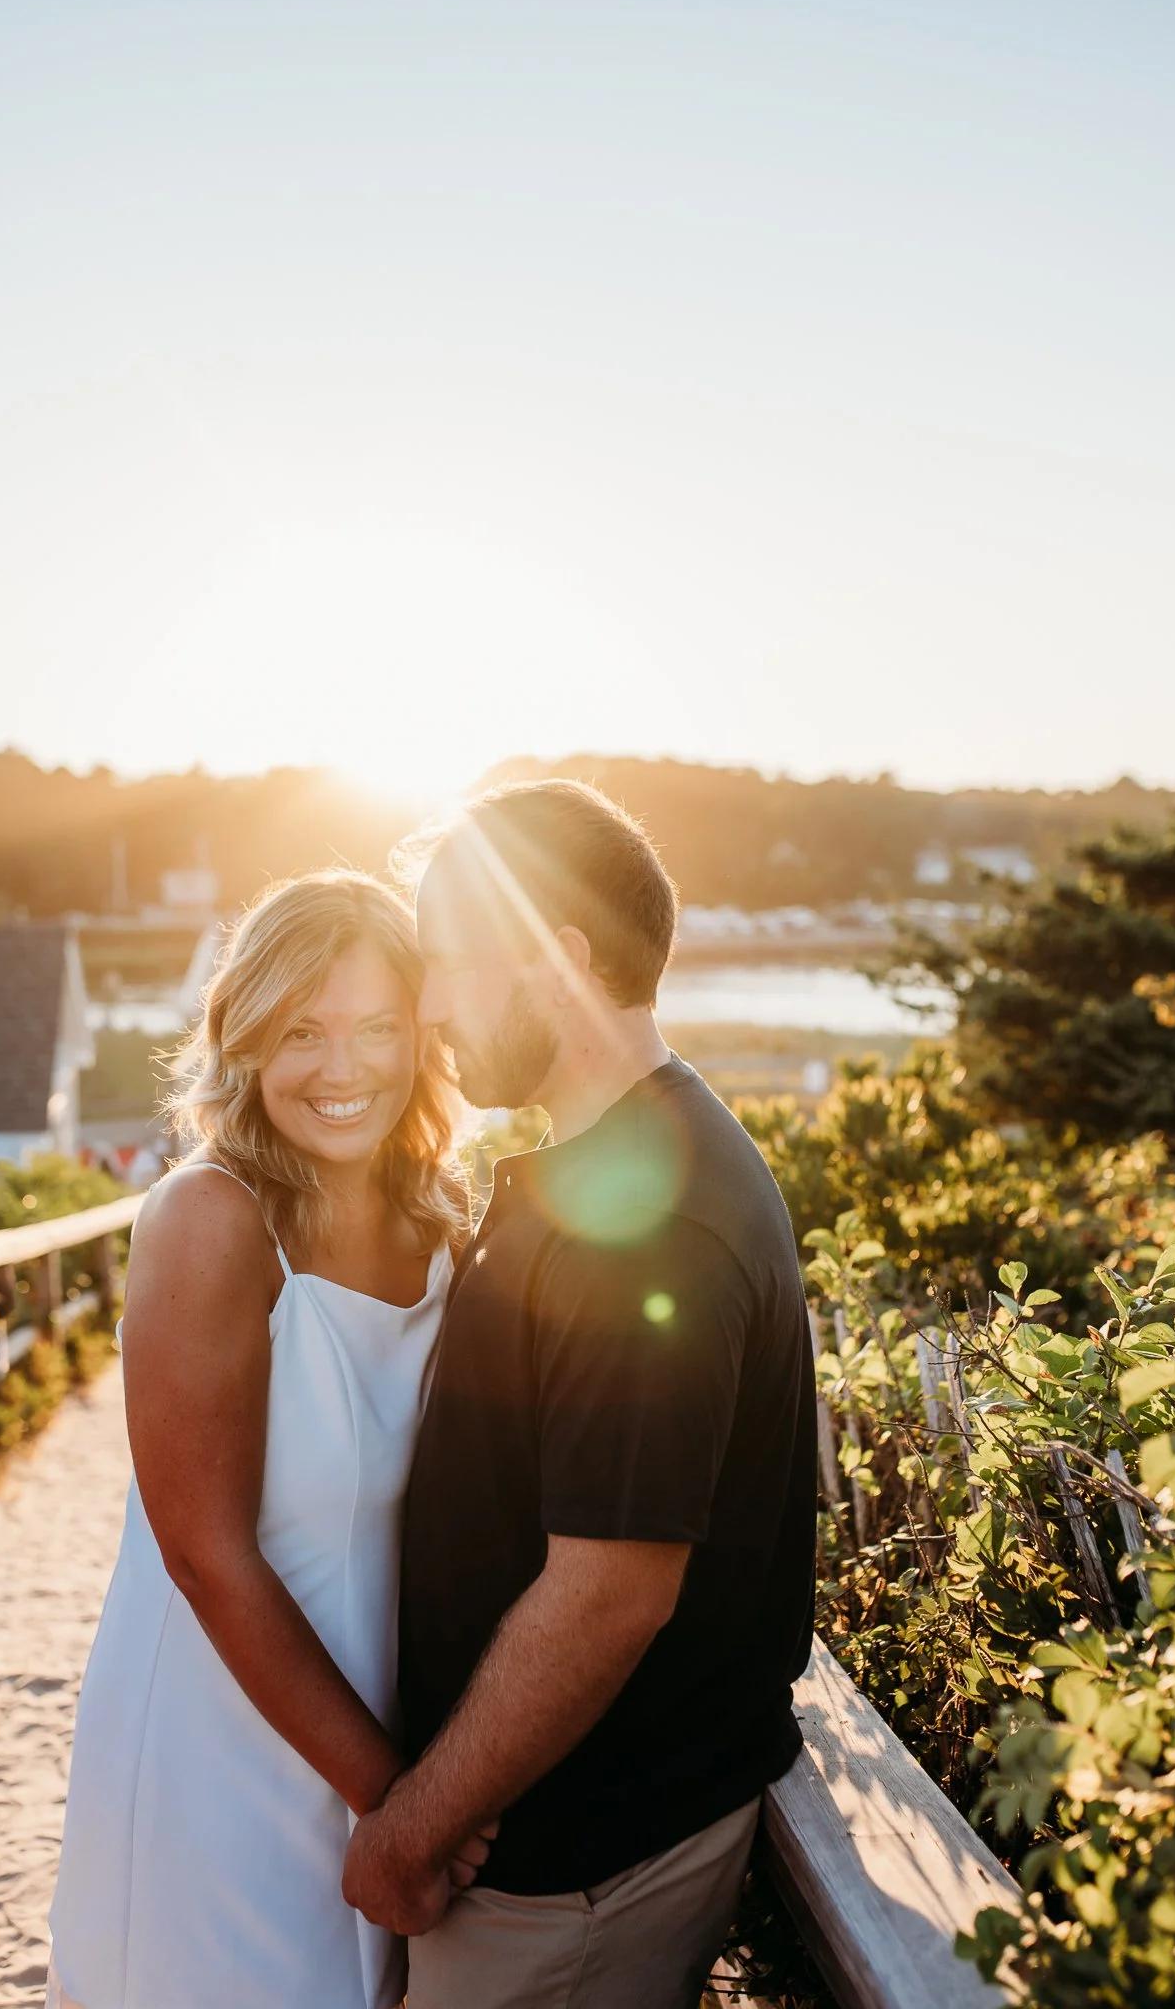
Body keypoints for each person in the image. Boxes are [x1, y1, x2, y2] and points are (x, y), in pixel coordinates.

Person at [342, 781, 817, 2009]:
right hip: (536, 1838)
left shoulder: (650, 1223)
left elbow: (609, 1592)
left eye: (446, 963)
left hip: (575, 1870)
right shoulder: (609, 1163)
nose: (429, 1003)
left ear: (557, 957)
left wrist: (410, 1825)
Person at [47, 871, 484, 2009]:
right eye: (303, 1029)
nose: (345, 1070)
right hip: (222, 1741)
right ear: (242, 1037)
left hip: (377, 1720)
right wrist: (397, 1800)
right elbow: (205, 1551)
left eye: (379, 1026)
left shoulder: (443, 1224)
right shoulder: (210, 1217)